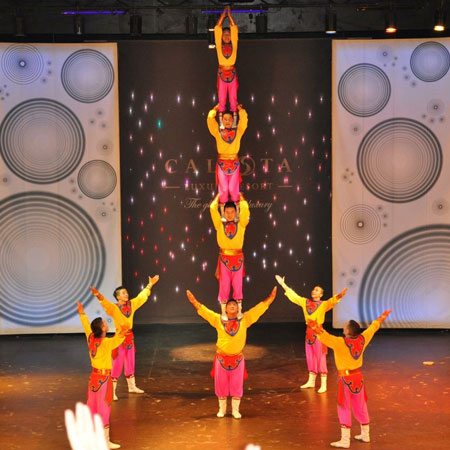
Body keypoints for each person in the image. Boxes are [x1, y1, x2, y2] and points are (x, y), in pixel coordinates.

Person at [186, 287, 277, 419]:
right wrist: (193, 301)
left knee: (237, 385)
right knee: (221, 385)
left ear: (238, 308)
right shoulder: (218, 320)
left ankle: (235, 410)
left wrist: (270, 298)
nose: (232, 306)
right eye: (230, 305)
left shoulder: (245, 319)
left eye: (235, 304)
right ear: (226, 309)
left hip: (237, 359)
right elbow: (205, 311)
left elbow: (258, 309)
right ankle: (222, 410)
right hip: (221, 359)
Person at [308, 309, 392, 448]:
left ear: (348, 331)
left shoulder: (340, 342)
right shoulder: (363, 338)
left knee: (344, 407)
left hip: (345, 380)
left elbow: (324, 336)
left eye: (345, 325)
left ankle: (345, 440)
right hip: (358, 378)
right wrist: (383, 316)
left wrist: (313, 325)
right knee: (360, 405)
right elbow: (373, 327)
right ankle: (366, 435)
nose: (343, 327)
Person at [90, 275, 159, 400]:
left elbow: (142, 297)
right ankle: (112, 391)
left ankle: (132, 387)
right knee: (116, 365)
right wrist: (98, 295)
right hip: (119, 339)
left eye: (126, 292)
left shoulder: (132, 305)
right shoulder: (114, 308)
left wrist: (150, 285)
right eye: (123, 293)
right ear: (118, 297)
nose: (126, 294)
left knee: (130, 362)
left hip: (130, 338)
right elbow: (105, 303)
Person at [275, 275, 348, 393]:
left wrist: (340, 295)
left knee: (320, 358)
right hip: (308, 334)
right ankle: (311, 381)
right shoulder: (305, 302)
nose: (314, 291)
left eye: (317, 290)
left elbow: (332, 301)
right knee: (310, 357)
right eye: (314, 289)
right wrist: (283, 284)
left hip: (319, 334)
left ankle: (323, 384)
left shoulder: (323, 304)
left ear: (321, 295)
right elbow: (294, 296)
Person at [77, 302, 130, 449]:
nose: (107, 324)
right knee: (104, 409)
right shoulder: (106, 343)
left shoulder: (90, 338)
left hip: (93, 379)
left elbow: (86, 325)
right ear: (103, 328)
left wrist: (82, 313)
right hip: (104, 380)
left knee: (92, 407)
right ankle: (104, 441)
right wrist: (124, 330)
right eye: (105, 323)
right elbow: (119, 339)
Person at [210, 193, 249, 319]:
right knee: (224, 285)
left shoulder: (242, 224)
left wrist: (240, 197)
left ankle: (239, 311)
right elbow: (212, 208)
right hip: (224, 258)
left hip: (238, 258)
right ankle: (223, 312)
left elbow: (246, 210)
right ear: (223, 212)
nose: (230, 214)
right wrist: (219, 196)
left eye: (232, 212)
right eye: (227, 212)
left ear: (236, 212)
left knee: (238, 285)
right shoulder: (219, 225)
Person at [207, 103, 248, 213]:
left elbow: (243, 122)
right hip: (222, 163)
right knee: (224, 190)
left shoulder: (238, 132)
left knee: (234, 191)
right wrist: (214, 109)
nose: (228, 121)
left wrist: (240, 110)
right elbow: (210, 121)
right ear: (222, 120)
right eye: (225, 119)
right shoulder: (218, 132)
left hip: (234, 163)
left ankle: (236, 214)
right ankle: (224, 215)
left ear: (233, 120)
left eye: (230, 119)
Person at [215, 5, 239, 128]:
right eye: (224, 34)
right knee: (222, 99)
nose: (226, 36)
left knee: (233, 99)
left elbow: (234, 28)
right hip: (222, 74)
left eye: (228, 34)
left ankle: (233, 125)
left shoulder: (234, 44)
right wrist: (223, 15)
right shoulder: (219, 46)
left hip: (232, 73)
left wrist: (229, 16)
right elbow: (217, 28)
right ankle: (222, 125)